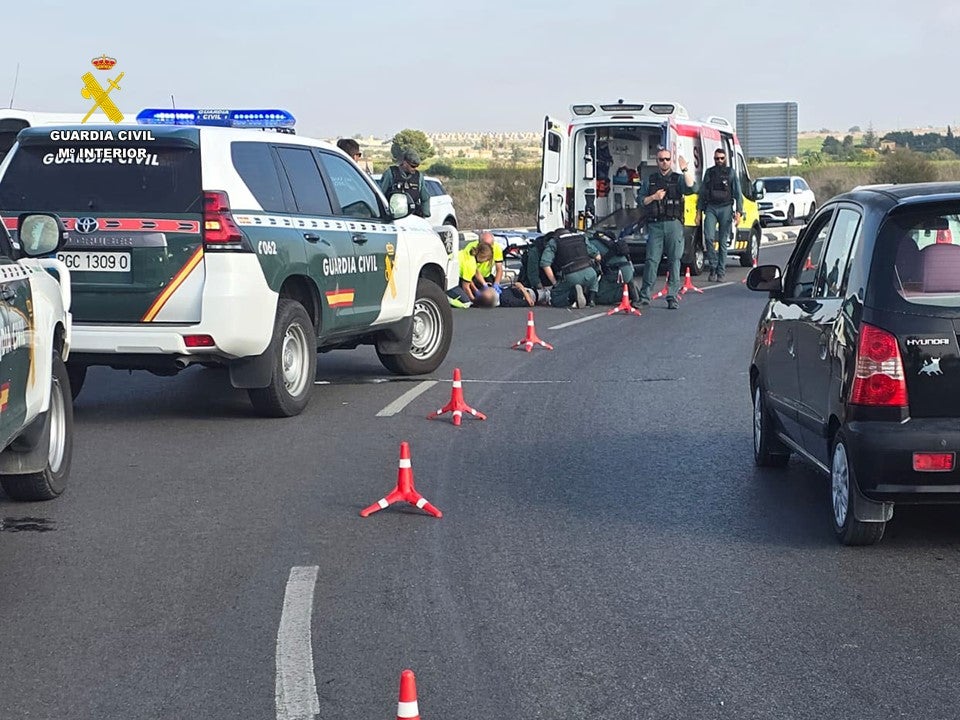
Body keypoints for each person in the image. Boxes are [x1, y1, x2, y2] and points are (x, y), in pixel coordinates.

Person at [637, 150, 696, 309]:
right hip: (655, 225)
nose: (664, 162)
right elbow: (641, 200)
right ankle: (645, 296)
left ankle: (672, 296)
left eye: (667, 159)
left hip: (673, 224)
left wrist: (685, 170)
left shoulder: (678, 179)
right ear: (657, 161)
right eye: (661, 159)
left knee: (674, 261)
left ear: (671, 161)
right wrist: (654, 197)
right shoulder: (650, 180)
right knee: (651, 260)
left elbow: (692, 187)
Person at [697, 148, 743, 282]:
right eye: (717, 158)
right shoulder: (709, 173)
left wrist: (739, 212)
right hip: (711, 207)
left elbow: (737, 192)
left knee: (723, 242)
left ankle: (721, 271)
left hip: (726, 208)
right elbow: (702, 192)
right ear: (714, 159)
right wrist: (699, 212)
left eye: (722, 158)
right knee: (709, 238)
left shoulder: (730, 173)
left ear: (725, 159)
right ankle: (712, 266)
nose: (719, 161)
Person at [539, 229, 600, 308]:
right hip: (590, 272)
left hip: (571, 275)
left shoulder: (554, 242)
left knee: (555, 298)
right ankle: (591, 299)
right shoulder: (582, 238)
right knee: (593, 280)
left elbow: (545, 264)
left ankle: (572, 295)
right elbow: (598, 257)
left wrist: (555, 283)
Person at [380, 148, 431, 218]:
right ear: (404, 163)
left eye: (416, 166)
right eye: (412, 166)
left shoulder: (419, 177)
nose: (415, 169)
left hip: (413, 216)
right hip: (394, 216)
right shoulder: (391, 173)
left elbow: (425, 197)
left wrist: (425, 215)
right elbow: (380, 194)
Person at [592, 231, 639, 305]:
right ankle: (629, 286)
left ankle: (626, 292)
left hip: (616, 272)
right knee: (609, 285)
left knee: (598, 296)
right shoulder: (608, 241)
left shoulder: (591, 243)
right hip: (627, 268)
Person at [449, 241, 497, 306]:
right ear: (483, 256)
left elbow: (476, 272)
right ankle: (446, 297)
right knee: (466, 303)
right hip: (446, 279)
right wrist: (474, 300)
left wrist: (484, 285)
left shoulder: (469, 254)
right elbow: (466, 287)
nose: (486, 261)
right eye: (487, 259)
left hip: (445, 272)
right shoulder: (471, 264)